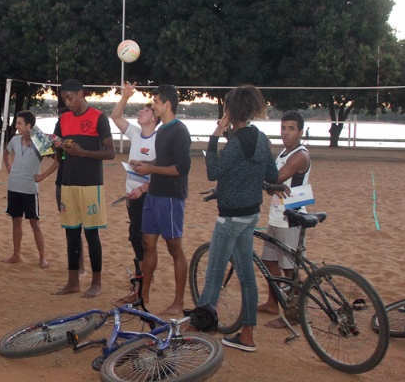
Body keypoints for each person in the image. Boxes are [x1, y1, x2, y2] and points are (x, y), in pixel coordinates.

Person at [195, 86, 279, 349]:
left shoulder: (234, 143)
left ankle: (198, 326)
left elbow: (213, 171)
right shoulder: (262, 138)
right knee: (246, 277)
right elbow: (271, 175)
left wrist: (214, 138)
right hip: (251, 213)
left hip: (230, 218)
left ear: (231, 111)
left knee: (213, 276)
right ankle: (247, 334)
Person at [52, 79, 115, 298]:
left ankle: (96, 282)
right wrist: (55, 146)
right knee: (71, 234)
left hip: (90, 183)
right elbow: (57, 151)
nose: (67, 102)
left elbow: (110, 153)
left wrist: (83, 153)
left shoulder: (98, 117)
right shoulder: (63, 119)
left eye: (70, 97)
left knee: (91, 234)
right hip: (68, 182)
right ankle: (73, 282)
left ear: (81, 94)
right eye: (64, 99)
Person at [131, 84, 190, 315]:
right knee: (148, 244)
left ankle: (178, 301)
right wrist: (146, 166)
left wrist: (151, 169)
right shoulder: (163, 130)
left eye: (155, 102)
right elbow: (163, 161)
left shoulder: (179, 131)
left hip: (172, 196)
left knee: (174, 248)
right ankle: (143, 295)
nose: (152, 106)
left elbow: (182, 168)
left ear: (167, 104)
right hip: (154, 194)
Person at [258, 111, 311, 319]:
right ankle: (273, 303)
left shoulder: (300, 155)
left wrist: (271, 184)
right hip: (276, 214)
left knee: (290, 270)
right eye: (283, 128)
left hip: (292, 216)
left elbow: (275, 179)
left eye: (291, 128)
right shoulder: (283, 153)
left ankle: (292, 313)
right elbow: (271, 184)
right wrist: (271, 184)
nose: (286, 133)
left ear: (300, 131)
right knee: (270, 261)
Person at [110, 81, 159, 278]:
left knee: (143, 238)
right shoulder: (135, 133)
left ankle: (143, 278)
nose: (140, 111)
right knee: (135, 237)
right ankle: (141, 276)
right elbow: (115, 116)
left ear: (155, 118)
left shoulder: (159, 139)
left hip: (147, 196)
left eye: (146, 110)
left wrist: (143, 188)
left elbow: (160, 171)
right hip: (131, 195)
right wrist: (125, 97)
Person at [2, 111, 58, 268]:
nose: (17, 126)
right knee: (16, 221)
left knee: (34, 223)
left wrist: (43, 176)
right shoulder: (14, 140)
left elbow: (58, 160)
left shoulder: (39, 141)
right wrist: (7, 165)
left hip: (29, 189)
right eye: (16, 123)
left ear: (29, 125)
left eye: (19, 123)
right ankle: (16, 254)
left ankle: (42, 258)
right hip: (14, 187)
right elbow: (6, 152)